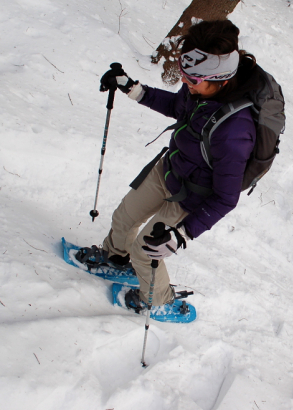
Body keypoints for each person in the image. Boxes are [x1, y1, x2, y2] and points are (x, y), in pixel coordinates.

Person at [80, 20, 260, 310]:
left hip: (192, 197)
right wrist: (133, 89)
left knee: (146, 251)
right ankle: (115, 256)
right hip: (168, 170)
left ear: (222, 79)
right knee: (124, 216)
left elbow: (226, 198)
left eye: (193, 80)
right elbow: (179, 106)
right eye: (184, 75)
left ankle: (158, 299)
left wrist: (183, 233)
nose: (185, 83)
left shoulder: (235, 132)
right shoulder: (200, 88)